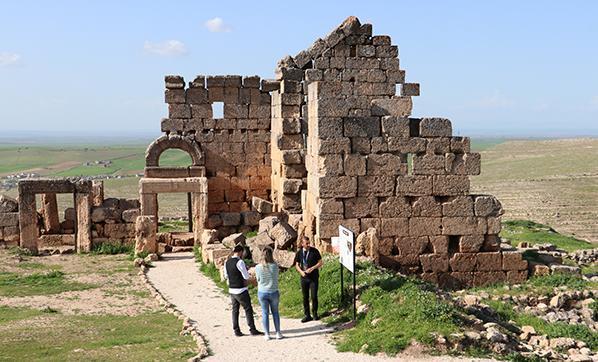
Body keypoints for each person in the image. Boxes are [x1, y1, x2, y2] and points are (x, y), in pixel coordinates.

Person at [224, 244, 263, 337]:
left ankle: (236, 330)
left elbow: (226, 276)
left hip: (232, 290)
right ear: (241, 252)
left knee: (235, 310)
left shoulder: (227, 262)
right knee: (248, 309)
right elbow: (246, 276)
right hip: (241, 289)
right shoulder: (240, 262)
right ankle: (252, 329)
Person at [255, 247, 283, 340]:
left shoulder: (258, 267)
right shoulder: (275, 266)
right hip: (274, 291)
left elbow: (258, 279)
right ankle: (278, 333)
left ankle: (267, 334)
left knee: (265, 313)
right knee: (275, 312)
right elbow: (276, 277)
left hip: (262, 292)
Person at [294, 236, 323, 322]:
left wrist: (313, 268)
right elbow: (297, 264)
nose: (308, 245)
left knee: (314, 296)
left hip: (313, 277)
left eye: (308, 243)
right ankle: (307, 315)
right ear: (302, 244)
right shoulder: (299, 253)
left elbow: (320, 262)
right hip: (304, 277)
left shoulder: (314, 251)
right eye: (306, 243)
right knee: (305, 297)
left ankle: (315, 313)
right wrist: (301, 272)